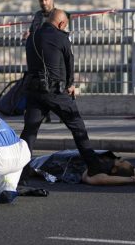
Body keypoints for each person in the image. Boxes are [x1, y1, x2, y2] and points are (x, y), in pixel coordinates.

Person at [20, 9, 104, 179]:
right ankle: (94, 166)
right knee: (77, 127)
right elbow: (69, 62)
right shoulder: (61, 37)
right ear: (62, 24)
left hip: (34, 91)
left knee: (29, 131)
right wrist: (70, 84)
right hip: (56, 92)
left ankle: (22, 169)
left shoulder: (32, 37)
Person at [23, 0, 56, 123]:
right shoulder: (37, 15)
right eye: (41, 1)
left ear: (51, 0)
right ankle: (44, 115)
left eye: (46, 0)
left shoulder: (58, 15)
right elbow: (33, 31)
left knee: (57, 85)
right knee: (41, 86)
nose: (43, 3)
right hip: (38, 56)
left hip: (53, 56)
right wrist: (28, 35)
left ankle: (65, 113)